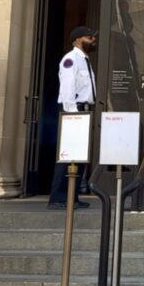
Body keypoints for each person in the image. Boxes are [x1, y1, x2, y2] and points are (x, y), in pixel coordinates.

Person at [47, 26, 98, 209]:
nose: (93, 40)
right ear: (77, 39)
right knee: (68, 155)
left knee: (80, 156)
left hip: (84, 111)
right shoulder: (71, 59)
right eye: (89, 37)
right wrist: (73, 116)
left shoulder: (85, 60)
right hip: (74, 111)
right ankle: (59, 198)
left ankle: (72, 197)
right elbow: (67, 89)